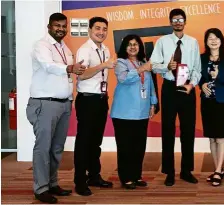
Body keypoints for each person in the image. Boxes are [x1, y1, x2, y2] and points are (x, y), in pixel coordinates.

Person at [27, 13, 85, 203]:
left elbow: (67, 74)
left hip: (63, 104)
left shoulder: (65, 48)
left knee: (56, 148)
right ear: (49, 27)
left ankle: (52, 183)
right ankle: (41, 188)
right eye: (57, 26)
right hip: (45, 103)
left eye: (63, 26)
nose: (60, 29)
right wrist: (69, 68)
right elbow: (48, 66)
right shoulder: (41, 46)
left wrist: (70, 98)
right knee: (43, 148)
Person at [150, 8, 201, 186]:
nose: (178, 22)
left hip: (187, 88)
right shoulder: (162, 42)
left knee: (188, 130)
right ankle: (169, 172)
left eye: (180, 19)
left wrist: (191, 85)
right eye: (174, 19)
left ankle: (186, 171)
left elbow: (197, 68)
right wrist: (167, 66)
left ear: (185, 22)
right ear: (170, 22)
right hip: (170, 88)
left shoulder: (193, 42)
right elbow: (153, 65)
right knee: (168, 130)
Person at [74, 16, 116, 196]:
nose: (101, 32)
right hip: (87, 100)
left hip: (101, 99)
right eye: (98, 28)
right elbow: (82, 75)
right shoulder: (84, 50)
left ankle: (94, 175)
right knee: (84, 142)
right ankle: (80, 181)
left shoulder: (105, 49)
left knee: (96, 141)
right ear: (90, 30)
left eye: (104, 29)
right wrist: (104, 65)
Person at [110, 34, 158, 189]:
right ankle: (126, 178)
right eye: (129, 44)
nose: (132, 47)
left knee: (139, 146)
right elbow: (123, 79)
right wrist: (141, 69)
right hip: (123, 113)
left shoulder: (143, 62)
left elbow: (150, 84)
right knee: (125, 147)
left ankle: (136, 176)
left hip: (142, 112)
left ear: (140, 47)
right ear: (124, 47)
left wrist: (153, 103)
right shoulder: (120, 62)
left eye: (135, 44)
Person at [199, 28, 224, 186]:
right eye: (210, 38)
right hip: (206, 101)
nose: (213, 41)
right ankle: (217, 170)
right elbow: (197, 75)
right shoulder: (201, 58)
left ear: (221, 40)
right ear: (206, 42)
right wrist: (202, 84)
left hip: (221, 102)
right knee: (212, 138)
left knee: (220, 137)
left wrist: (218, 76)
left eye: (216, 38)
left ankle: (219, 170)